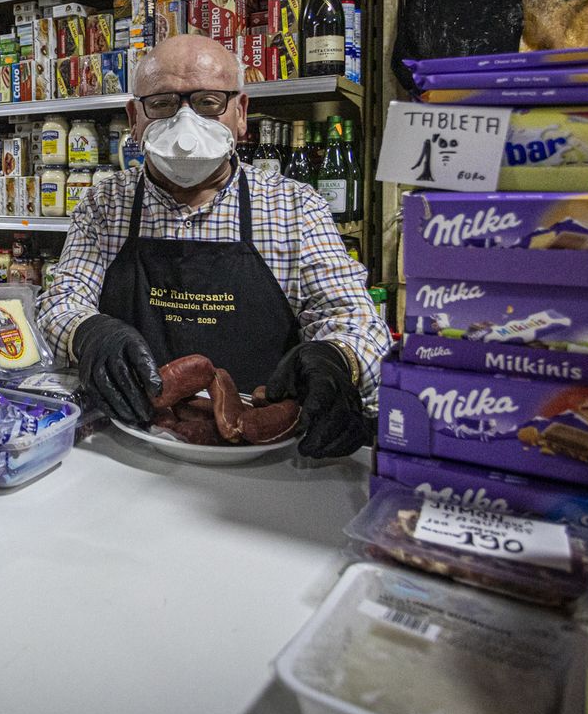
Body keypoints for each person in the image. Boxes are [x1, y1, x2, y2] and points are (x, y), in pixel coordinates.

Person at [38, 34, 387, 458]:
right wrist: (86, 332)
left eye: (207, 102)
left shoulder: (294, 206)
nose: (186, 125)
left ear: (240, 113)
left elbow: (356, 320)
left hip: (261, 454)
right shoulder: (104, 202)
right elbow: (60, 301)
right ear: (134, 117)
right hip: (128, 445)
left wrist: (337, 360)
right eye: (163, 103)